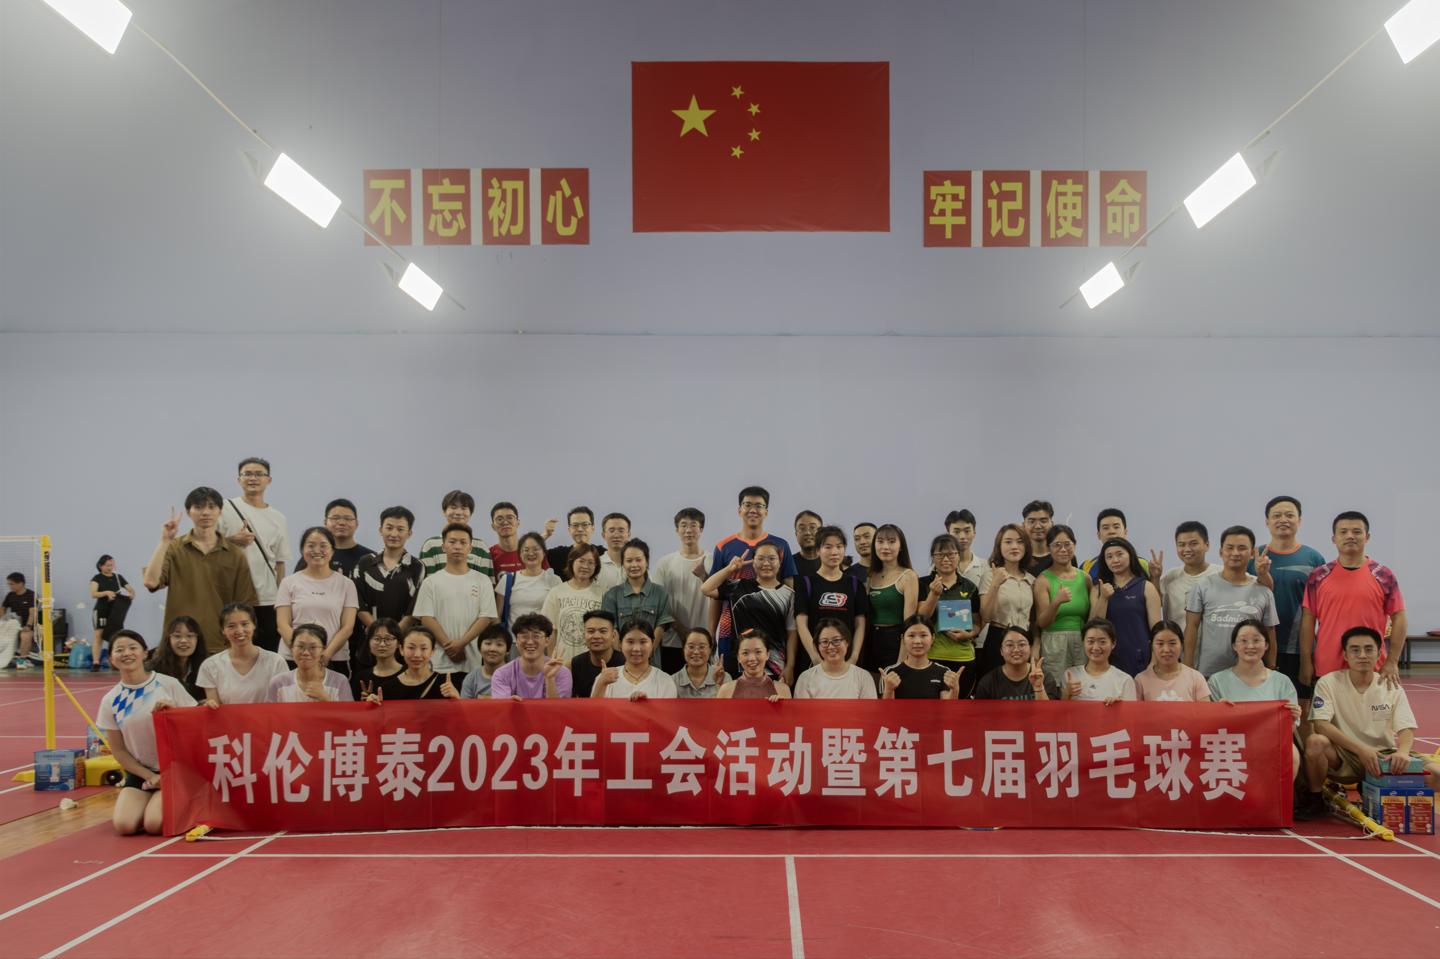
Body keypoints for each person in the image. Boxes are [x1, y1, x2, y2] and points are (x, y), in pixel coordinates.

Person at [1302, 626, 1440, 817]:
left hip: (1384, 756)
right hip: (1345, 756)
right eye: (1355, 650)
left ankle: (1368, 786)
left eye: (1368, 649)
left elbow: (1406, 727)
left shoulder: (1390, 684)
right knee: (1315, 742)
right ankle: (1315, 798)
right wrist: (1361, 750)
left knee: (1436, 775)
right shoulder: (1328, 682)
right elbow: (1321, 724)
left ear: (1378, 653)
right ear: (1346, 655)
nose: (1362, 655)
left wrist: (1402, 752)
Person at [97, 630, 196, 835]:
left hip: (175, 770)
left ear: (145, 653)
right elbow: (119, 751)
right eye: (119, 650)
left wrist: (174, 712)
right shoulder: (110, 700)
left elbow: (195, 724)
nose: (127, 653)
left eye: (133, 648)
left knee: (154, 824)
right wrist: (149, 776)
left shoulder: (168, 684)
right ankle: (156, 800)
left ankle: (186, 799)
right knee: (124, 826)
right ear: (111, 659)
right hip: (141, 773)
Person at [143, 489, 258, 656]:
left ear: (220, 511)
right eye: (198, 507)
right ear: (188, 511)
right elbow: (150, 582)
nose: (205, 512)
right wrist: (165, 540)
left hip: (219, 643)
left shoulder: (234, 554)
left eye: (211, 507)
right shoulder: (174, 548)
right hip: (180, 642)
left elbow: (244, 605)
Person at [1300, 511, 1407, 688]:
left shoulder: (1383, 575)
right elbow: (1307, 619)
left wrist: (1392, 661)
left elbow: (1399, 617)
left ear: (1367, 537)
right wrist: (1305, 661)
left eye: (1357, 531)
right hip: (1328, 666)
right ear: (1334, 539)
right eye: (1343, 532)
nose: (1350, 536)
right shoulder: (1318, 576)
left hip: (1372, 666)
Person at [1207, 619, 1305, 808]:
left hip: (1270, 743)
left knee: (1291, 754)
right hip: (1231, 744)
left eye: (1256, 640)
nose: (1250, 646)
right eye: (1243, 641)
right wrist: (1217, 711)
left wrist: (1293, 716)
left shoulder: (1282, 681)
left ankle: (1273, 806)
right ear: (1234, 646)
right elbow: (1210, 725)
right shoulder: (1217, 681)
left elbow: (1289, 729)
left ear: (1266, 645)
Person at [1251, 496, 1327, 712]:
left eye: (1289, 515)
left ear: (1299, 521)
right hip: (1257, 647)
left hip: (1298, 649)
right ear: (1267, 521)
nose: (1283, 520)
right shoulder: (1253, 557)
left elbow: (1319, 609)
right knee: (1262, 709)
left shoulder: (1314, 559)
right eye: (1276, 515)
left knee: (1301, 710)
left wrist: (1309, 657)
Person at [709, 487, 799, 653]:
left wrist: (789, 632)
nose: (753, 510)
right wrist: (711, 632)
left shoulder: (781, 545)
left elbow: (789, 590)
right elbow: (715, 594)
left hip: (772, 629)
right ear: (739, 510)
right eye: (747, 505)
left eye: (758, 506)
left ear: (766, 511)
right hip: (731, 628)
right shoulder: (724, 546)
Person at [216, 457, 291, 653]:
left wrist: (280, 599)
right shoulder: (224, 508)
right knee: (232, 652)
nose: (253, 478)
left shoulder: (278, 517)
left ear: (269, 480)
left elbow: (280, 562)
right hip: (232, 595)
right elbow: (207, 546)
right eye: (247, 474)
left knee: (267, 652)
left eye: (259, 474)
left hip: (267, 598)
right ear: (238, 479)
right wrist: (232, 540)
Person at [1184, 526, 1279, 677]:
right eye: (1230, 548)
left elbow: (1270, 632)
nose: (1235, 553)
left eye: (1242, 548)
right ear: (1221, 552)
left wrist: (1272, 668)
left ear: (1252, 553)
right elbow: (1191, 627)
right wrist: (1187, 668)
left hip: (1251, 675)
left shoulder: (1263, 590)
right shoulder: (1203, 585)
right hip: (1210, 673)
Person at [702, 540, 798, 682]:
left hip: (774, 667)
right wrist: (730, 569)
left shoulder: (789, 594)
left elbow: (792, 633)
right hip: (740, 664)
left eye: (772, 558)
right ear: (753, 563)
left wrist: (790, 666)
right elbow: (706, 589)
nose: (766, 563)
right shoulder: (739, 586)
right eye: (760, 558)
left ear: (780, 563)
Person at [412, 523, 498, 675]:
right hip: (438, 661)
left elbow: (486, 617)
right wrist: (449, 646)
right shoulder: (431, 582)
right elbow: (426, 618)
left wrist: (461, 643)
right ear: (443, 546)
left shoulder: (482, 580)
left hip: (472, 661)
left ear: (470, 548)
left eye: (463, 542)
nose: (457, 546)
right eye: (452, 542)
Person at [276, 527, 359, 672]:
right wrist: (301, 651)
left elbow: (347, 627)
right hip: (293, 658)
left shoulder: (346, 584)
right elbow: (282, 624)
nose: (317, 550)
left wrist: (326, 654)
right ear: (302, 550)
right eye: (311, 545)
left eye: (323, 546)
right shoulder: (288, 582)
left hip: (333, 658)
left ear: (332, 551)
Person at [794, 526, 870, 670]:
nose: (834, 552)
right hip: (814, 662)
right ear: (818, 550)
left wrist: (854, 657)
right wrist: (815, 657)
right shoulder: (806, 583)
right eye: (828, 547)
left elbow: (860, 624)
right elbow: (801, 623)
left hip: (847, 662)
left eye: (839, 546)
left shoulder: (855, 584)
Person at [917, 533, 982, 695]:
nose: (946, 559)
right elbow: (921, 619)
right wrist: (934, 594)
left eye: (951, 554)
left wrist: (969, 634)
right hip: (932, 656)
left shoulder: (969, 587)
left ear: (958, 556)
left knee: (961, 705)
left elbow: (977, 622)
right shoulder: (923, 583)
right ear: (933, 557)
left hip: (963, 657)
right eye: (940, 555)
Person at [1090, 537, 1162, 677]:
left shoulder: (1146, 587)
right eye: (1109, 556)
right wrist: (1103, 598)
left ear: (1130, 555)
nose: (1115, 560)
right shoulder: (1098, 589)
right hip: (1107, 658)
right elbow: (1094, 626)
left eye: (1119, 554)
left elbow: (1157, 630)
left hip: (1140, 658)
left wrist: (1154, 661)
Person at [652, 508, 711, 672]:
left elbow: (719, 596)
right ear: (677, 530)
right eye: (683, 525)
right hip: (672, 641)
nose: (688, 530)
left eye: (693, 525)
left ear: (701, 529)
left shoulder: (712, 560)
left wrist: (704, 576)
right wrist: (680, 629)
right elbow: (659, 602)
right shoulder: (665, 563)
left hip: (705, 641)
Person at [1032, 525, 1090, 692]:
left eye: (1067, 544)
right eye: (1057, 545)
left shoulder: (1085, 578)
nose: (1063, 549)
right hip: (1054, 643)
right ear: (1049, 548)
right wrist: (1056, 602)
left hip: (1081, 641)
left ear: (1075, 545)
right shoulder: (1043, 579)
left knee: (1083, 690)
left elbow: (1090, 617)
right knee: (1056, 690)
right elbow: (1042, 622)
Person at [976, 524, 1035, 684]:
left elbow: (1034, 619)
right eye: (1008, 542)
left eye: (1020, 542)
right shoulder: (990, 575)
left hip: (1023, 639)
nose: (1014, 546)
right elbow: (986, 616)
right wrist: (996, 583)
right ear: (999, 547)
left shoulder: (1031, 579)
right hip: (998, 638)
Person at [197, 603, 289, 705]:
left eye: (245, 624)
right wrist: (210, 704)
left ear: (254, 625)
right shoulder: (210, 665)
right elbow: (215, 706)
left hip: (267, 716)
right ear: (223, 630)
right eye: (231, 626)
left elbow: (283, 702)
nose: (240, 631)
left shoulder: (276, 662)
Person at [353, 506, 425, 631]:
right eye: (389, 528)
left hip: (405, 638)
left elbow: (416, 606)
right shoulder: (365, 563)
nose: (394, 534)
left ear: (409, 533)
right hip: (370, 636)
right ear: (381, 530)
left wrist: (394, 634)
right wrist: (378, 631)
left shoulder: (417, 566)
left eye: (400, 529)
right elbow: (358, 602)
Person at [601, 538, 673, 659]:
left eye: (638, 560)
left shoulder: (660, 593)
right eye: (629, 561)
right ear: (623, 564)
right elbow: (611, 630)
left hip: (651, 660)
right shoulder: (612, 595)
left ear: (647, 562)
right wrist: (625, 657)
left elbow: (661, 627)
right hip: (621, 660)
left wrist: (647, 654)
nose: (634, 565)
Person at [864, 524, 919, 674]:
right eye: (880, 541)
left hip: (894, 640)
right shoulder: (871, 576)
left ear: (901, 547)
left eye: (891, 541)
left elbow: (909, 624)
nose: (885, 547)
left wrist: (901, 660)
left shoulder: (908, 576)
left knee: (891, 684)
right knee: (872, 685)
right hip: (871, 639)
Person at [542, 544, 605, 664]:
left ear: (596, 566)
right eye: (581, 561)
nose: (585, 566)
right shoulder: (557, 592)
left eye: (591, 562)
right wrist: (551, 658)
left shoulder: (602, 594)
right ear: (572, 562)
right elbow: (551, 630)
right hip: (561, 662)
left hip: (592, 662)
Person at [488, 613, 572, 699]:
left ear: (547, 641)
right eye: (524, 636)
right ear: (516, 641)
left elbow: (559, 707)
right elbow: (502, 705)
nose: (530, 642)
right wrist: (509, 703)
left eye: (536, 636)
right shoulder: (502, 674)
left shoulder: (561, 673)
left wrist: (550, 679)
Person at [369, 626, 462, 701]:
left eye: (424, 648)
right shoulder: (388, 688)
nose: (417, 654)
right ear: (401, 650)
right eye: (411, 648)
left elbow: (459, 716)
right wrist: (373, 706)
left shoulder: (446, 685)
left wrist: (456, 699)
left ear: (432, 651)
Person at [265, 623, 353, 702]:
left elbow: (348, 714)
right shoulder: (278, 683)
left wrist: (325, 699)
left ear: (323, 649)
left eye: (313, 647)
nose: (306, 653)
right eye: (300, 646)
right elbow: (269, 713)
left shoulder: (339, 681)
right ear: (292, 648)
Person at [594, 618, 677, 699]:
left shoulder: (665, 681)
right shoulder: (605, 677)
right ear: (620, 644)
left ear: (652, 643)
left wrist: (647, 705)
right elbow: (594, 707)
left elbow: (667, 708)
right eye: (630, 642)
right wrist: (601, 684)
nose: (636, 649)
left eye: (643, 642)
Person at [418, 490, 494, 579]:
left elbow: (486, 583)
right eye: (453, 507)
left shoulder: (481, 547)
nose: (458, 512)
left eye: (464, 508)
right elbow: (427, 582)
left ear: (470, 513)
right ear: (444, 511)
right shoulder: (430, 545)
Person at [793, 619, 876, 699]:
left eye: (836, 640)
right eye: (825, 642)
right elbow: (801, 709)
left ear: (847, 642)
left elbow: (869, 708)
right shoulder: (805, 678)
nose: (831, 647)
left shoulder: (863, 677)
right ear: (818, 646)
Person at [880, 616, 959, 700]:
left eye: (923, 635)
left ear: (932, 638)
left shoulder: (944, 672)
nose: (917, 641)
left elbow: (947, 706)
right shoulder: (890, 672)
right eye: (911, 635)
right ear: (903, 639)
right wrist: (889, 690)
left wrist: (955, 689)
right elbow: (884, 707)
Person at [1156, 521, 1220, 623]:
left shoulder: (1221, 574)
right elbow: (1153, 605)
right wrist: (1155, 578)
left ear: (1207, 545)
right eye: (1181, 545)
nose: (1187, 549)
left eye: (1193, 544)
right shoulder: (1169, 578)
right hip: (1178, 634)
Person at [291, 499, 374, 576]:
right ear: (325, 522)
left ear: (357, 523)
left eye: (348, 518)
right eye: (335, 518)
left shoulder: (370, 557)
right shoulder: (313, 556)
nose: (341, 523)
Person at [970, 626, 1056, 700]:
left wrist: (1039, 688)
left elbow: (1049, 712)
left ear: (1030, 648)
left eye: (1021, 644)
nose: (1016, 650)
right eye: (1010, 645)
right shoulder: (988, 682)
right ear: (1001, 651)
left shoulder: (1043, 677)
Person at [1062, 619, 1137, 703]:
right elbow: (1060, 709)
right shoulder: (1071, 674)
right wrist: (1067, 693)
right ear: (1083, 642)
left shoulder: (1125, 680)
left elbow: (1131, 711)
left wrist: (1119, 706)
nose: (1096, 648)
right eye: (1090, 641)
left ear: (1113, 644)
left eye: (1102, 642)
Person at [496, 532, 561, 630]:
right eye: (526, 550)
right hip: (513, 638)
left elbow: (559, 615)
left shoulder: (554, 580)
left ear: (544, 552)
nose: (531, 553)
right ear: (520, 554)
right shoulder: (507, 580)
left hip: (543, 638)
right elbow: (497, 616)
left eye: (535, 549)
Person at [1134, 621, 1210, 701]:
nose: (1166, 650)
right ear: (1151, 646)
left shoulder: (1196, 678)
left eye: (1172, 643)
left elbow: (1206, 708)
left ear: (1182, 645)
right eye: (1160, 644)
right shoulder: (1140, 680)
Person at [146, 615, 208, 701]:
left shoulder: (206, 666)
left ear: (198, 639)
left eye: (190, 636)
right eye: (177, 636)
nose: (184, 641)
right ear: (168, 639)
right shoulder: (153, 670)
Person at [88, 555, 135, 670]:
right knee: (99, 635)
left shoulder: (118, 577)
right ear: (101, 566)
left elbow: (131, 590)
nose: (110, 568)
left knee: (115, 636)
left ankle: (114, 662)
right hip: (101, 610)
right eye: (107, 565)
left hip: (115, 610)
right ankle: (96, 662)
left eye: (111, 565)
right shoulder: (97, 578)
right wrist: (106, 593)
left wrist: (130, 594)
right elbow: (93, 594)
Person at [1082, 509, 1153, 582]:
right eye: (1105, 528)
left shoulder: (1142, 564)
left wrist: (1156, 577)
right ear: (1098, 535)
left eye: (1116, 527)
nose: (1111, 531)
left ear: (1125, 532)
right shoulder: (1087, 567)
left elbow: (1152, 588)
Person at [717, 631, 792, 700]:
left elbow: (789, 711)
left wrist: (782, 706)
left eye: (758, 652)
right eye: (745, 653)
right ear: (738, 657)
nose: (752, 658)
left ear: (767, 655)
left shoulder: (782, 690)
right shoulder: (726, 690)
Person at [489, 501, 557, 576]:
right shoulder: (489, 555)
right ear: (493, 526)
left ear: (518, 523)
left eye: (510, 518)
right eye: (499, 519)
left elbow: (548, 580)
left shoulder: (534, 553)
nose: (505, 522)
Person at [569, 609, 624, 698]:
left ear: (613, 636)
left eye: (603, 631)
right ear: (584, 635)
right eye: (591, 631)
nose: (596, 636)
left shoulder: (625, 662)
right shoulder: (576, 664)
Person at [350, 618, 405, 701]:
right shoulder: (361, 678)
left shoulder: (408, 673)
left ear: (398, 643)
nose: (382, 644)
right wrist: (363, 703)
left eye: (388, 639)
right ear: (369, 643)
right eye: (377, 639)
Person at [672, 627, 729, 698]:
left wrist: (719, 685)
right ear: (683, 649)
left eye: (702, 647)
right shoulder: (672, 681)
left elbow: (728, 704)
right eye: (691, 647)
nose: (696, 652)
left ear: (710, 649)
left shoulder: (724, 677)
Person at [460, 624, 512, 698]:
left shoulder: (516, 677)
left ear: (508, 650)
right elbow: (465, 704)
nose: (492, 649)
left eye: (499, 644)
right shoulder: (471, 678)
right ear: (479, 648)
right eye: (488, 643)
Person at [546, 506, 595, 579]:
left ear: (592, 529)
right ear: (569, 530)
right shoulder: (558, 555)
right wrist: (546, 535)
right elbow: (531, 555)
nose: (580, 529)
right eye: (575, 525)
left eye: (585, 524)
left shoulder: (603, 554)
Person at [4, 571, 38, 670]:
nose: (10, 586)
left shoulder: (31, 595)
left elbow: (33, 613)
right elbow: (2, 609)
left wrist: (28, 626)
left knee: (25, 636)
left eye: (12, 584)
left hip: (28, 626)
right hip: (14, 625)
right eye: (9, 584)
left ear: (21, 583)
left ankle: (22, 661)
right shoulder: (10, 595)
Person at [944, 510, 988, 586]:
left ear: (974, 532)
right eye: (956, 532)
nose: (962, 537)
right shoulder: (939, 566)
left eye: (967, 531)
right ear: (948, 534)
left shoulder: (985, 566)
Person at [595, 512, 632, 592]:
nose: (616, 535)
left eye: (621, 531)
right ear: (603, 535)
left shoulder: (637, 565)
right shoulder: (595, 565)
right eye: (611, 531)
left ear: (628, 535)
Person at [1020, 500, 1054, 575]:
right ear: (1023, 525)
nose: (1038, 526)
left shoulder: (1063, 556)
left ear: (1052, 524)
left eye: (1043, 521)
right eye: (1032, 521)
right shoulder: (1018, 558)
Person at [792, 510, 824, 579]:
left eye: (812, 528)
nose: (807, 533)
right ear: (796, 534)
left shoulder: (832, 561)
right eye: (802, 529)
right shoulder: (789, 564)